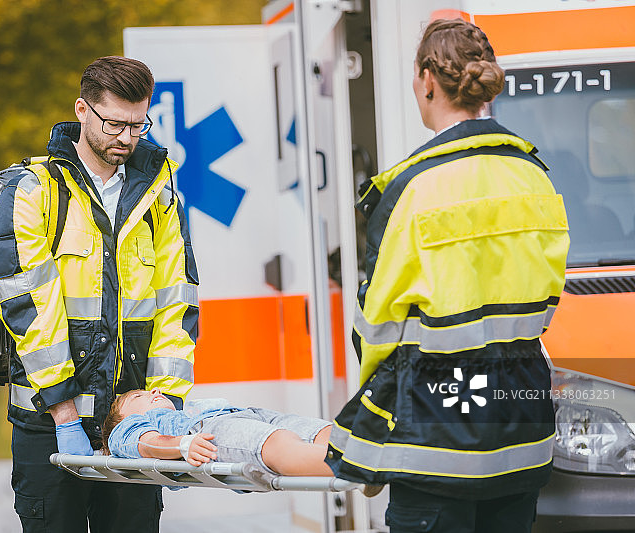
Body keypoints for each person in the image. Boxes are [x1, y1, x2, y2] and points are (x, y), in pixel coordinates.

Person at [326, 19, 569, 533]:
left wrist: (374, 414)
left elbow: (377, 328)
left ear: (428, 80)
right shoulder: (535, 175)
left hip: (433, 440)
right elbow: (547, 299)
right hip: (521, 431)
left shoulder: (412, 188)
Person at [0, 56, 199, 533]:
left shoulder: (159, 195)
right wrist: (63, 414)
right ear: (83, 110)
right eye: (115, 123)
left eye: (138, 125)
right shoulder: (33, 190)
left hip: (130, 426)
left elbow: (177, 306)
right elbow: (27, 308)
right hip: (49, 425)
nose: (126, 137)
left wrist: (163, 410)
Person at [102, 388, 333, 477]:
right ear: (124, 418)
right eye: (138, 396)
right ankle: (356, 467)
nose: (155, 390)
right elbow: (146, 444)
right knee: (277, 444)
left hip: (248, 414)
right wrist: (183, 444)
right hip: (209, 434)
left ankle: (362, 452)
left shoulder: (185, 411)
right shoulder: (126, 429)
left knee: (320, 430)